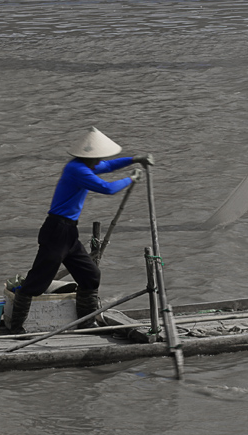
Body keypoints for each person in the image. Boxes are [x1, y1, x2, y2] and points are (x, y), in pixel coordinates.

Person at [8, 127, 154, 333]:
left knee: (90, 275)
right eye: (98, 158)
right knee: (37, 283)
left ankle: (85, 322)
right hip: (56, 231)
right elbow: (107, 188)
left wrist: (134, 159)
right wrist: (131, 178)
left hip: (69, 232)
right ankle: (15, 328)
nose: (99, 161)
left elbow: (109, 166)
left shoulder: (85, 166)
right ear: (89, 157)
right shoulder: (77, 170)